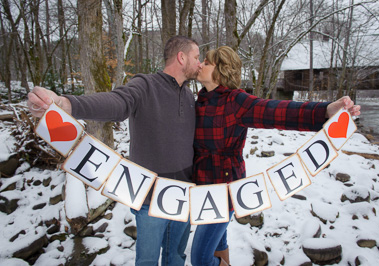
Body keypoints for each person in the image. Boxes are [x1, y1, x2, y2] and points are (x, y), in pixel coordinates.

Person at [27, 36, 202, 266]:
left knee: (176, 258)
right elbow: (117, 102)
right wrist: (67, 105)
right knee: (147, 260)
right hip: (149, 196)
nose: (200, 63)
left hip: (182, 195)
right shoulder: (145, 85)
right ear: (181, 57)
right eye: (197, 57)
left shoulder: (189, 95)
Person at [190, 46, 361, 266]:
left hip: (223, 191)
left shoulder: (236, 101)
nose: (201, 64)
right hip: (201, 191)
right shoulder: (199, 101)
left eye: (207, 61)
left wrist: (326, 111)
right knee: (218, 245)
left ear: (221, 70)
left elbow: (279, 111)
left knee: (201, 259)